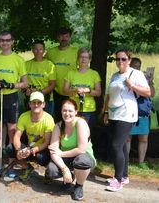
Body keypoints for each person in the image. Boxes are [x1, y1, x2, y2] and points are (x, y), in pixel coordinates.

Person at [103, 50, 150, 192]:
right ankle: (124, 176)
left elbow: (148, 92)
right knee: (122, 145)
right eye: (117, 59)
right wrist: (105, 112)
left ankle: (117, 180)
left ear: (129, 60)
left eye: (123, 59)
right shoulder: (115, 75)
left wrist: (132, 86)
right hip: (113, 114)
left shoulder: (136, 74)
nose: (120, 61)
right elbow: (109, 95)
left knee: (116, 145)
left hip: (127, 114)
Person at [0, 31, 28, 174]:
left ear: (12, 42)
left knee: (11, 131)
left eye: (7, 40)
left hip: (11, 97)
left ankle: (10, 165)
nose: (4, 43)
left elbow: (25, 83)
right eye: (2, 40)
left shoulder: (19, 60)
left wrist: (11, 85)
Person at [46, 99, 96, 201]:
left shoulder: (80, 123)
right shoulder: (58, 126)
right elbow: (53, 151)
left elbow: (81, 149)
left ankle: (79, 186)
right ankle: (70, 177)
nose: (67, 113)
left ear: (76, 112)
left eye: (70, 111)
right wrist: (64, 169)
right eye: (64, 110)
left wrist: (62, 153)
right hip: (67, 158)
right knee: (51, 171)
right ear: (61, 111)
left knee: (81, 161)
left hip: (84, 157)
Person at [12, 91, 54, 181]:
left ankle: (48, 172)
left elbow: (47, 142)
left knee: (41, 157)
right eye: (33, 102)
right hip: (29, 147)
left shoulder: (48, 119)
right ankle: (27, 167)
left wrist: (32, 150)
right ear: (29, 104)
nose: (36, 105)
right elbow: (16, 136)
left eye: (39, 103)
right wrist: (19, 150)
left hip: (42, 149)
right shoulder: (24, 116)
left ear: (44, 104)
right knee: (10, 148)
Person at [126, 57, 155, 169]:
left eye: (138, 66)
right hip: (130, 112)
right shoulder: (127, 77)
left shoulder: (143, 77)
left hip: (143, 113)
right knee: (127, 138)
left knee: (143, 138)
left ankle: (141, 161)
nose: (136, 68)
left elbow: (151, 94)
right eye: (134, 65)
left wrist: (150, 82)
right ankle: (126, 161)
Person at [45, 27, 78, 122]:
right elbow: (44, 66)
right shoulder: (51, 52)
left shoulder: (76, 52)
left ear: (70, 37)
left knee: (72, 118)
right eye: (61, 36)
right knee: (58, 117)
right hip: (56, 91)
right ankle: (59, 135)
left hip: (72, 91)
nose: (64, 39)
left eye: (66, 36)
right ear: (57, 37)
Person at [63, 48, 101, 126]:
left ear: (90, 59)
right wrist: (75, 90)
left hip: (88, 110)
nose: (83, 59)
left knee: (86, 134)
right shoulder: (70, 73)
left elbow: (98, 92)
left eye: (86, 57)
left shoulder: (94, 74)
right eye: (81, 57)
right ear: (77, 59)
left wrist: (88, 90)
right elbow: (65, 90)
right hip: (72, 109)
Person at [25, 40, 56, 116]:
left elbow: (52, 85)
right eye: (35, 49)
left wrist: (39, 92)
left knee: (46, 125)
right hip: (30, 98)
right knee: (30, 124)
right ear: (32, 50)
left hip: (45, 98)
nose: (38, 51)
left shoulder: (50, 65)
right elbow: (23, 82)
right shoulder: (26, 64)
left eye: (40, 49)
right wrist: (26, 90)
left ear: (44, 51)